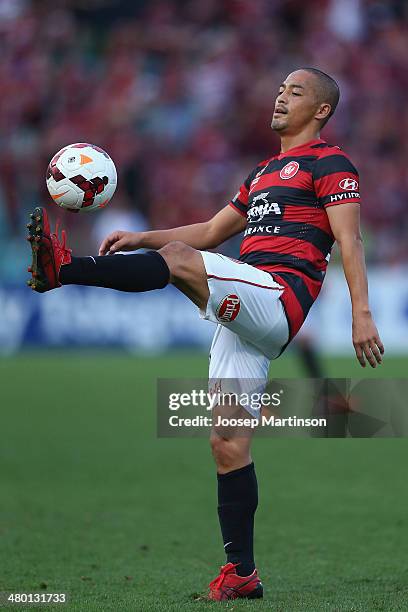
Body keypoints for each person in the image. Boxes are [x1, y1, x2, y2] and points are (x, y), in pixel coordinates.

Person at [26, 68, 384, 601]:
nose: (282, 96)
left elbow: (349, 241)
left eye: (296, 92)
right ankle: (242, 574)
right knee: (227, 442)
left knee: (179, 263)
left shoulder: (331, 163)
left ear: (322, 110)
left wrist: (361, 313)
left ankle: (65, 270)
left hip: (278, 295)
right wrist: (142, 236)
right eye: (281, 87)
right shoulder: (263, 171)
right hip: (248, 314)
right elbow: (214, 232)